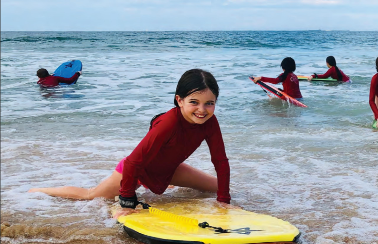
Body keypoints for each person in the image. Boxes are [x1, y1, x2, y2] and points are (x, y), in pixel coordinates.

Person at [29, 69, 232, 210]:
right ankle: (39, 189)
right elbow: (135, 160)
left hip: (169, 171)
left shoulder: (210, 123)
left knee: (217, 187)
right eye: (194, 102)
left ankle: (164, 184)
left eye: (209, 103)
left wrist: (223, 201)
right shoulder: (169, 123)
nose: (202, 110)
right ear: (179, 100)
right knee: (90, 195)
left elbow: (220, 161)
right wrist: (127, 199)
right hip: (136, 171)